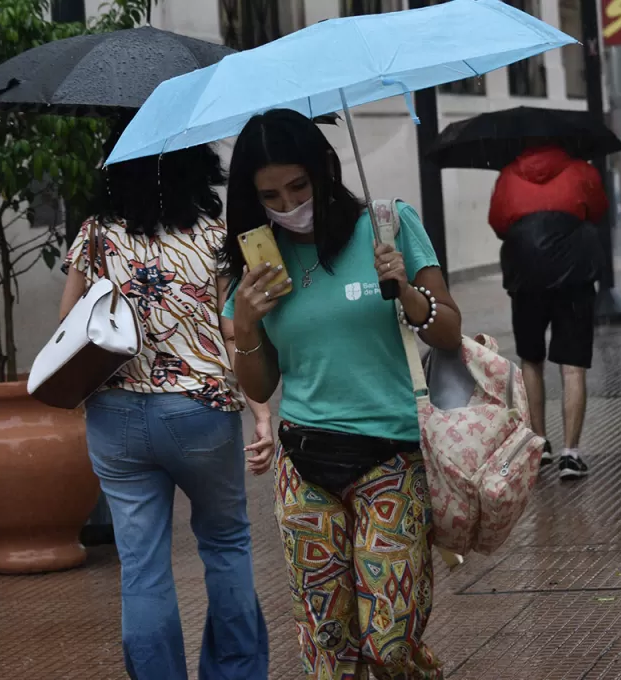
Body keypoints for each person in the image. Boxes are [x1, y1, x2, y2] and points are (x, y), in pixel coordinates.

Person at [221, 109, 461, 679]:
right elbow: (260, 385)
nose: (287, 204)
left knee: (389, 644)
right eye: (271, 195)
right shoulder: (259, 261)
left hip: (391, 459)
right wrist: (248, 326)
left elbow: (449, 330)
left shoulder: (386, 224)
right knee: (329, 645)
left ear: (323, 169)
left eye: (298, 186)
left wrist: (404, 289)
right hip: (303, 467)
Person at [58, 142, 272, 680]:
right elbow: (233, 331)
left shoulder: (95, 234)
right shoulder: (213, 233)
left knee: (142, 567)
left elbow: (69, 329)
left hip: (116, 419)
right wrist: (262, 412)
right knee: (226, 544)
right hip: (200, 412)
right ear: (194, 161)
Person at [488, 145, 604, 480]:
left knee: (531, 361)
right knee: (573, 366)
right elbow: (597, 211)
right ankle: (571, 453)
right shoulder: (581, 170)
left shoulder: (509, 174)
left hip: (526, 276)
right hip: (574, 275)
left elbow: (498, 223)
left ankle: (539, 446)